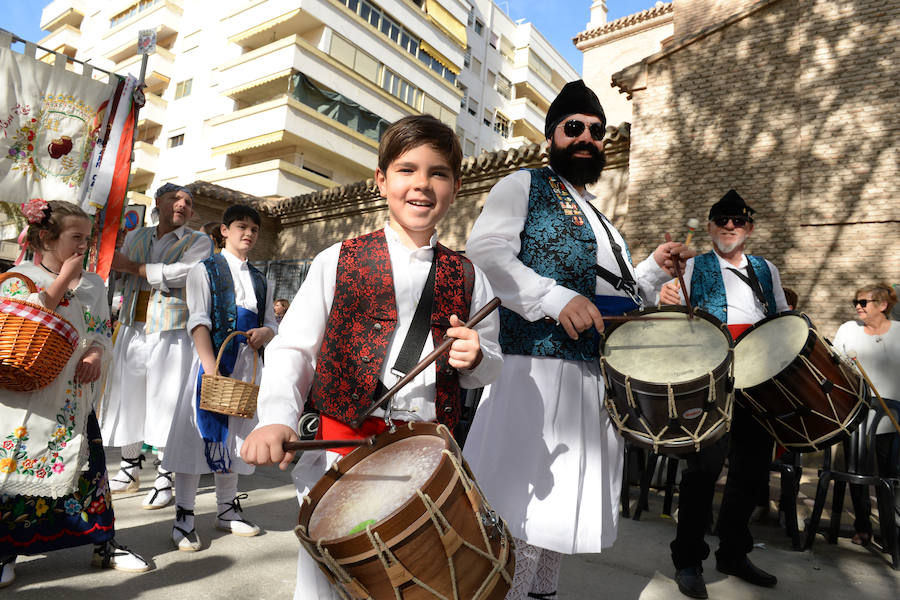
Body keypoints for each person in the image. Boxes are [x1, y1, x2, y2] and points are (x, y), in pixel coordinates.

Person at [240, 115, 503, 600]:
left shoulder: (469, 277)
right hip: (337, 453)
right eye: (407, 170)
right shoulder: (336, 259)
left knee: (411, 582)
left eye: (438, 173)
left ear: (456, 186)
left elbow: (490, 367)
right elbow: (293, 348)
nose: (422, 184)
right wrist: (276, 418)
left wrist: (477, 356)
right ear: (382, 180)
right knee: (325, 586)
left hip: (423, 464)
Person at [462, 80, 686, 600]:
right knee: (523, 504)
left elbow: (619, 293)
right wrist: (553, 297)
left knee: (559, 511)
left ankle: (542, 594)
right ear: (552, 135)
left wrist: (652, 269)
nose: (587, 137)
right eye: (575, 128)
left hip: (589, 376)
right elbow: (487, 252)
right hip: (534, 372)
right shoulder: (524, 186)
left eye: (597, 131)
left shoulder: (604, 218)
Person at [0, 200, 149, 589]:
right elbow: (31, 316)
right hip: (23, 400)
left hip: (72, 398)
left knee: (88, 474)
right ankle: (5, 551)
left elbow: (100, 329)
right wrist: (65, 278)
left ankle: (104, 543)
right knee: (13, 473)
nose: (83, 245)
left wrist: (97, 352)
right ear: (46, 237)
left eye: (87, 237)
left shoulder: (94, 283)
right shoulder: (18, 277)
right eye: (75, 237)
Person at [659, 190, 790, 598]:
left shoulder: (765, 269)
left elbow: (782, 318)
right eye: (721, 220)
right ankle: (689, 560)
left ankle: (734, 552)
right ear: (711, 226)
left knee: (750, 474)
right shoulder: (693, 267)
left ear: (749, 228)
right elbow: (668, 312)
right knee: (702, 472)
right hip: (710, 378)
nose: (729, 226)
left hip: (759, 378)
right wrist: (664, 296)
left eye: (738, 220)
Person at [162, 205, 277, 551]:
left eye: (255, 229)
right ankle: (183, 516)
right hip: (212, 363)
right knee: (196, 436)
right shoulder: (205, 270)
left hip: (246, 366)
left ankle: (226, 509)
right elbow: (198, 320)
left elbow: (272, 321)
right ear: (224, 231)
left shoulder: (261, 278)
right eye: (242, 227)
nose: (249, 234)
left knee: (236, 438)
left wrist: (265, 334)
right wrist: (210, 367)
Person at [99, 184, 213, 509]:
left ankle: (165, 476)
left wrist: (131, 267)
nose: (182, 205)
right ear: (158, 202)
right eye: (176, 199)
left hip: (173, 331)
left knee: (168, 401)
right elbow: (117, 276)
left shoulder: (199, 241)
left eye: (188, 202)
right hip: (134, 327)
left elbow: (186, 273)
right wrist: (112, 261)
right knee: (129, 397)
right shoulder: (136, 237)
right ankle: (129, 469)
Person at [831, 283, 900, 546]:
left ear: (883, 305)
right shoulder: (849, 330)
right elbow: (835, 364)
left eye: (864, 302)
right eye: (856, 303)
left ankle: (892, 531)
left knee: (891, 478)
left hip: (893, 420)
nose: (858, 307)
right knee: (856, 473)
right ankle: (863, 527)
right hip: (857, 418)